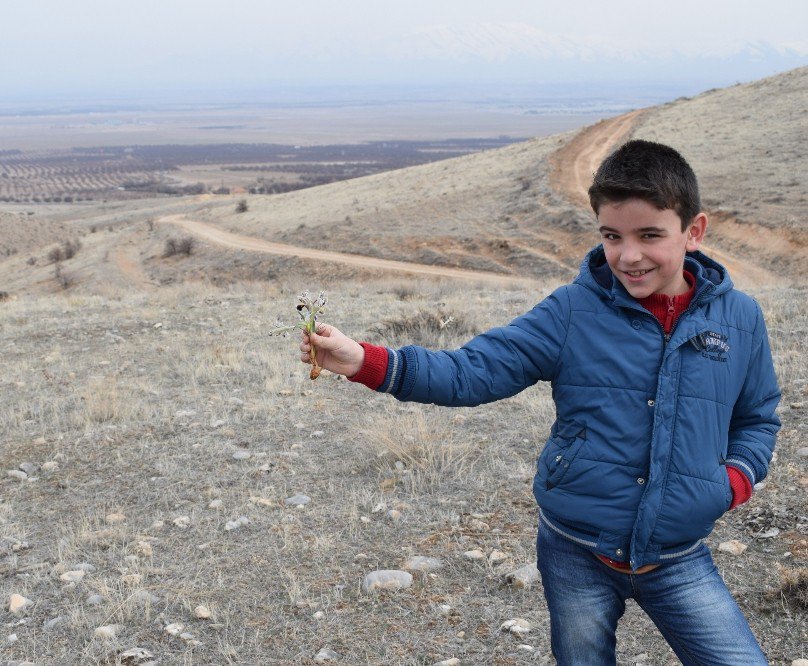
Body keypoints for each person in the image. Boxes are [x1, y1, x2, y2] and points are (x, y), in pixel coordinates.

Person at [297, 140, 781, 665]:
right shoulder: (571, 311)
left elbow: (757, 419)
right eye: (611, 236)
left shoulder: (739, 318)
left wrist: (730, 484)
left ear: (694, 231)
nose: (628, 255)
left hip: (678, 552)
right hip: (575, 549)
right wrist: (366, 361)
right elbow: (471, 372)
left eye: (649, 236)